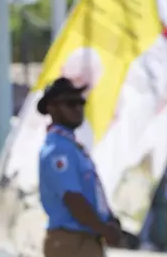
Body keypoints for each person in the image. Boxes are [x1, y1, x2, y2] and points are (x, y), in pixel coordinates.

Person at [38, 77, 123, 257]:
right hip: (70, 242)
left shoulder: (71, 147)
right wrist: (104, 229)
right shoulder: (58, 149)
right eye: (70, 103)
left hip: (85, 239)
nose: (78, 108)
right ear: (51, 108)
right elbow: (72, 198)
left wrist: (108, 219)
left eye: (81, 103)